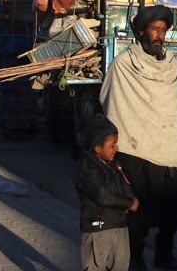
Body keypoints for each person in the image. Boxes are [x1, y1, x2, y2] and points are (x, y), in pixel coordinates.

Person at [99, 4, 177, 271]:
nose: (159, 35)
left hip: (168, 146)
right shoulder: (124, 65)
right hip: (135, 147)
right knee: (137, 211)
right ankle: (136, 257)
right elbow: (108, 99)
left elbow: (172, 106)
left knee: (173, 211)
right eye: (155, 29)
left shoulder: (172, 66)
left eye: (163, 30)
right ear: (141, 31)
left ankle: (164, 254)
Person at [75, 114, 139, 271]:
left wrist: (130, 197)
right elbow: (103, 196)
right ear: (97, 148)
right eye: (112, 145)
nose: (117, 148)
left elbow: (125, 184)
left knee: (121, 265)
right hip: (99, 231)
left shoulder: (114, 165)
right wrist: (128, 203)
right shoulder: (88, 171)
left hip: (119, 226)